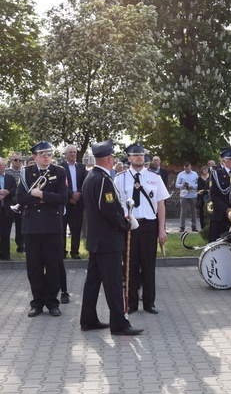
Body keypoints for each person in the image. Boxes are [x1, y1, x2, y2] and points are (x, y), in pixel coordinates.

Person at [79, 140, 143, 336]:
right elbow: (109, 210)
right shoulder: (104, 180)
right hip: (108, 241)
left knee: (93, 282)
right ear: (108, 158)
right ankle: (119, 324)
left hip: (97, 240)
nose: (114, 160)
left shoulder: (90, 177)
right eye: (113, 157)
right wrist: (126, 224)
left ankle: (88, 319)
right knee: (114, 283)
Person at [114, 142, 169, 314]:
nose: (139, 157)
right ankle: (131, 303)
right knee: (129, 265)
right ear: (128, 158)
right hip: (129, 225)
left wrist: (161, 229)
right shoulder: (120, 178)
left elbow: (161, 204)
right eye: (135, 155)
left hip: (149, 225)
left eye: (141, 155)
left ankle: (149, 303)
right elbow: (116, 205)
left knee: (148, 265)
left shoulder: (154, 177)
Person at [16, 141, 68, 317]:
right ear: (35, 156)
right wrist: (42, 200)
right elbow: (20, 198)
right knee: (34, 266)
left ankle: (52, 302)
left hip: (53, 226)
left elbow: (63, 197)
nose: (47, 157)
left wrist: (41, 194)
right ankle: (37, 302)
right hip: (31, 226)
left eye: (49, 153)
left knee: (53, 265)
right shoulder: (25, 173)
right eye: (43, 154)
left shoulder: (59, 172)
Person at [62, 145, 87, 260]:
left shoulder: (82, 167)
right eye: (70, 152)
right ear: (66, 154)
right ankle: (62, 251)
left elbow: (85, 183)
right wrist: (71, 194)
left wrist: (78, 194)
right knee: (62, 228)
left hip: (78, 202)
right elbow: (60, 185)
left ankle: (75, 251)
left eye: (74, 152)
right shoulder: (60, 168)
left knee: (76, 228)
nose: (72, 154)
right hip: (65, 202)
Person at [208, 148, 231, 242]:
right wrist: (226, 209)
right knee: (217, 244)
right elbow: (214, 195)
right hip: (220, 216)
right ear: (224, 161)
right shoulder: (216, 174)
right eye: (230, 159)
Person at [5, 152, 26, 253]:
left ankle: (21, 245)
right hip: (9, 201)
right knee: (7, 226)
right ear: (11, 161)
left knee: (21, 225)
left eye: (20, 160)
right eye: (15, 160)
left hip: (22, 202)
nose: (18, 162)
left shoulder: (25, 171)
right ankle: (6, 248)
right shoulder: (6, 172)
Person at [176, 161, 199, 232]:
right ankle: (182, 227)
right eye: (186, 169)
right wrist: (183, 185)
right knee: (183, 212)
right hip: (184, 195)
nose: (187, 170)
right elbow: (176, 185)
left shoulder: (195, 174)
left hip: (193, 195)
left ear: (190, 167)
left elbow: (198, 184)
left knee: (194, 212)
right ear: (184, 167)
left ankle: (194, 226)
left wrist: (193, 187)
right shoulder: (180, 174)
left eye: (188, 169)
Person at [196, 165, 210, 230]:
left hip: (208, 196)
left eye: (206, 169)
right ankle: (202, 226)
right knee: (202, 212)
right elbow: (199, 188)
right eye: (204, 170)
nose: (205, 171)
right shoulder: (199, 179)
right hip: (202, 197)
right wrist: (205, 190)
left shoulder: (209, 178)